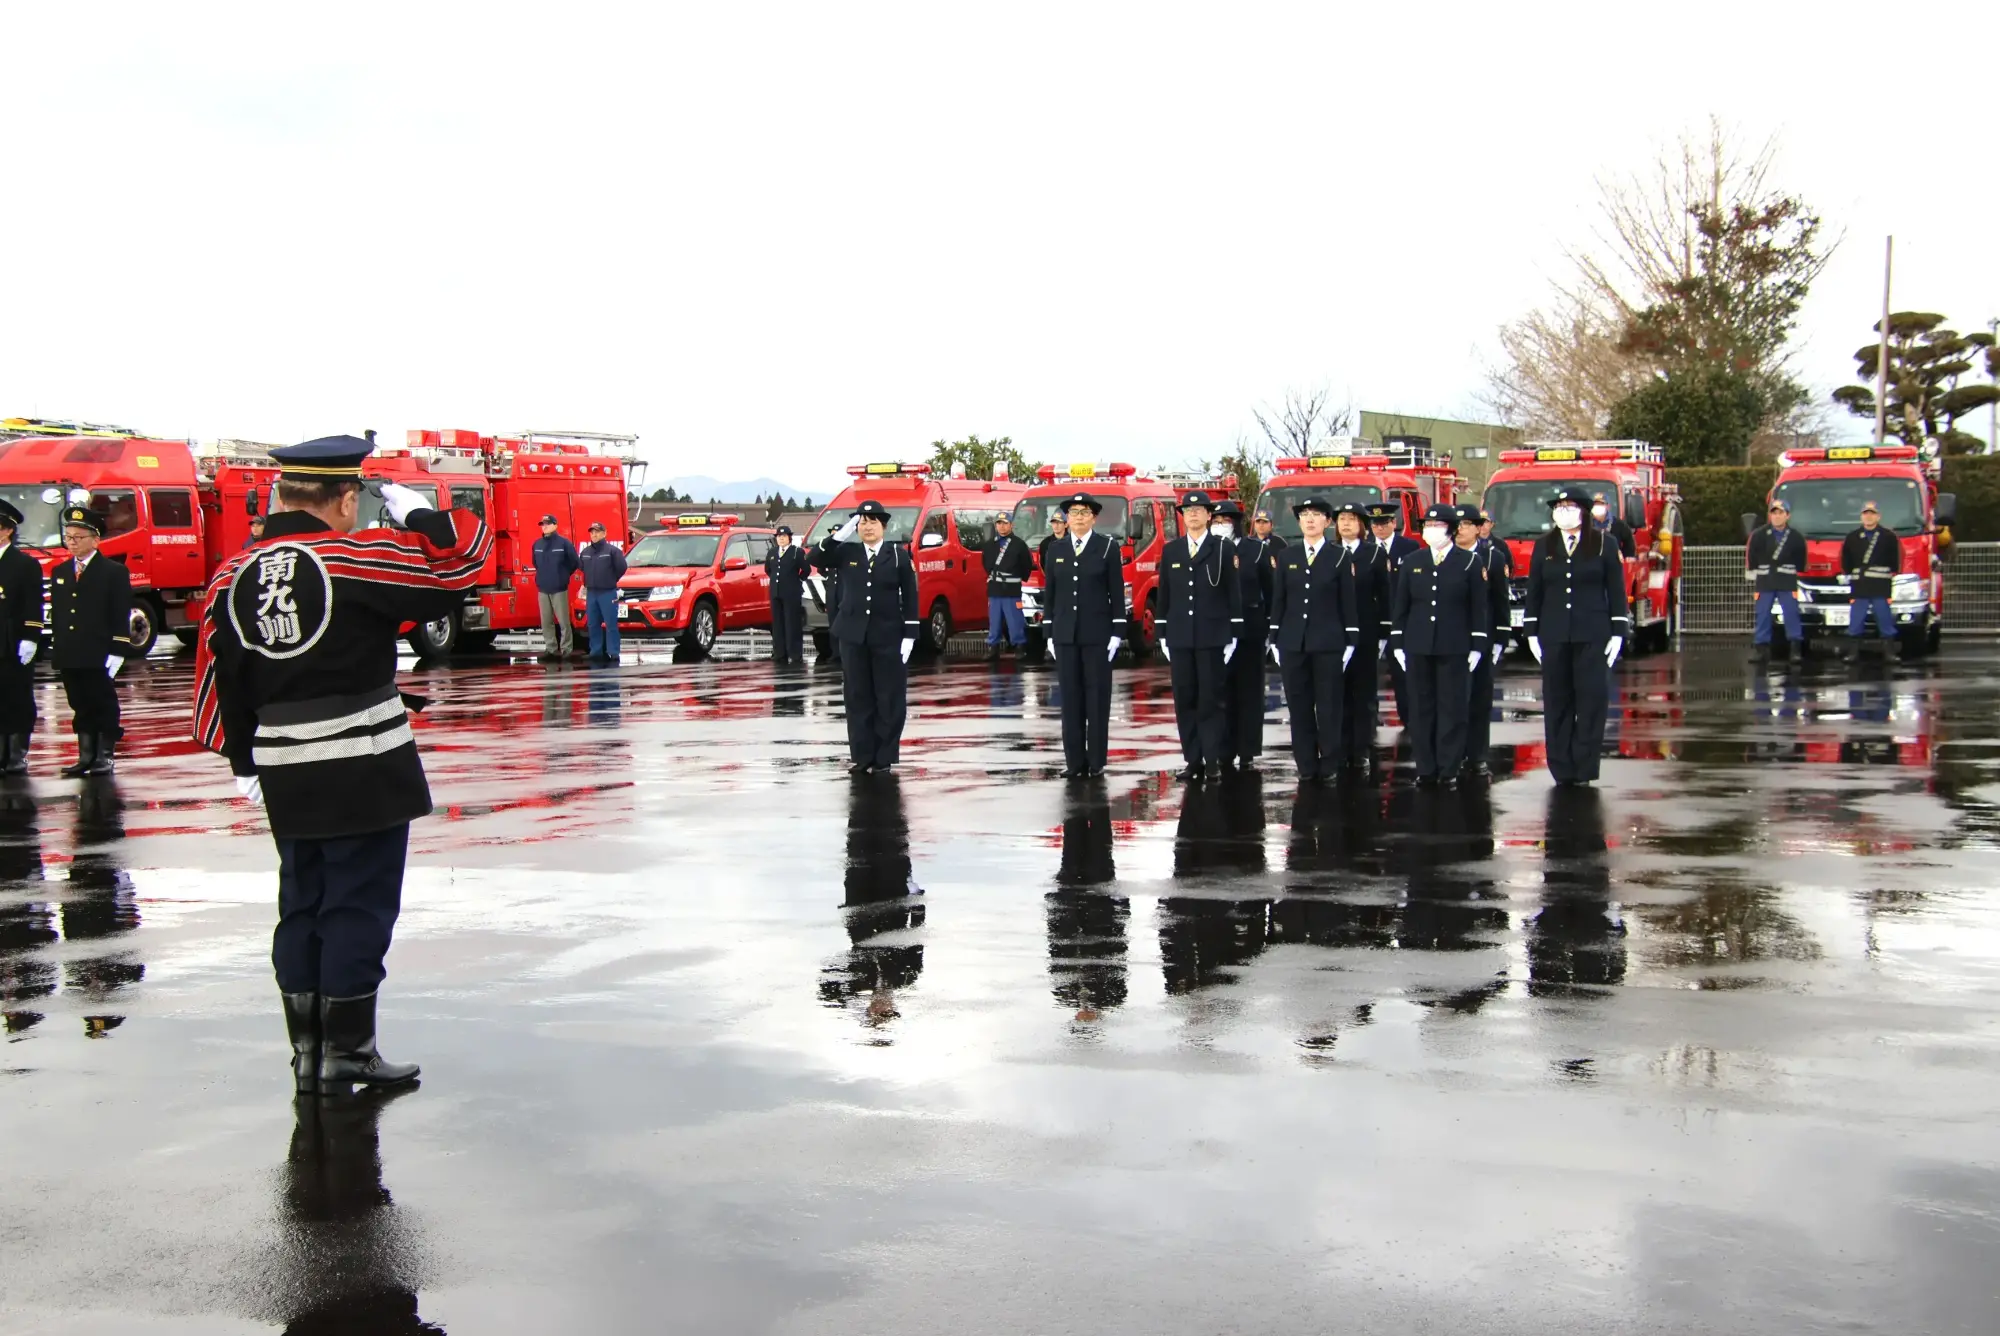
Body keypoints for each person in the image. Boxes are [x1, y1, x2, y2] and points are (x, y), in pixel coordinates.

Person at [192, 433, 492, 1096]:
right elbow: (464, 559)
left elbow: (217, 678)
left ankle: (307, 1052)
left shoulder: (231, 573)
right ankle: (349, 1055)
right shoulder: (359, 556)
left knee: (302, 902)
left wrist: (245, 759)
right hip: (366, 764)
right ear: (346, 496)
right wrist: (418, 515)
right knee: (357, 905)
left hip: (284, 768)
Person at [1523, 486, 1630, 788]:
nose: (1562, 511)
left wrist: (1619, 631)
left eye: (1569, 506)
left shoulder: (1603, 544)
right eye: (1558, 506)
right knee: (1558, 701)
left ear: (1583, 511)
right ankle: (1562, 767)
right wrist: (1531, 631)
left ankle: (1584, 767)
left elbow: (1616, 590)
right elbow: (1536, 591)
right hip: (1554, 633)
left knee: (1591, 701)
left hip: (1593, 633)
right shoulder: (1544, 545)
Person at [1390, 503, 1489, 789]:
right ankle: (1426, 767)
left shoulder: (1469, 562)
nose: (1432, 531)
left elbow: (1477, 608)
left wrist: (1477, 645)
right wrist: (1398, 641)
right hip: (1418, 644)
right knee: (1421, 709)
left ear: (1452, 529)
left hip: (1455, 645)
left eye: (1438, 526)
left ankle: (1448, 768)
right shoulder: (1412, 561)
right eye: (1428, 526)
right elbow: (1402, 606)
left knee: (1452, 708)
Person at [817, 499, 920, 774]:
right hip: (852, 636)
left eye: (872, 521)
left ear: (883, 526)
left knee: (888, 697)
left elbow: (910, 596)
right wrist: (839, 535)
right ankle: (862, 756)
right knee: (857, 696)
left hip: (888, 635)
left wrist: (910, 633)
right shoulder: (846, 551)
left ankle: (884, 756)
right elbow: (815, 558)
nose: (867, 527)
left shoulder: (897, 555)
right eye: (862, 522)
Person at [1267, 496, 1360, 784]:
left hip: (1328, 642)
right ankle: (1306, 763)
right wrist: (1274, 637)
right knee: (1299, 705)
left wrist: (1350, 639)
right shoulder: (1288, 557)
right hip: (1293, 642)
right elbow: (1279, 599)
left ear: (1327, 522)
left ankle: (1330, 761)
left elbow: (1347, 601)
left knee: (1329, 704)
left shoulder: (1339, 557)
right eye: (1304, 514)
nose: (1309, 519)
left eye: (1316, 515)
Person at [1157, 490, 1243, 782]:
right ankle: (1192, 759)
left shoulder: (1222, 549)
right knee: (1185, 699)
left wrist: (1234, 632)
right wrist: (1162, 632)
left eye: (1199, 510)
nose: (1193, 514)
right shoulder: (1172, 551)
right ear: (1182, 517)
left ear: (1209, 515)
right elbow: (1165, 595)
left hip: (1211, 635)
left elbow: (1234, 594)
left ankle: (1212, 758)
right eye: (1187, 511)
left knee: (1210, 699)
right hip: (1181, 636)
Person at [48, 505, 138, 777]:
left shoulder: (112, 572)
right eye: (69, 537)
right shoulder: (61, 571)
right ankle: (86, 755)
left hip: (98, 650)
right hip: (71, 651)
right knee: (79, 703)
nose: (72, 542)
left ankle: (104, 756)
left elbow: (119, 611)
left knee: (102, 703)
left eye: (78, 537)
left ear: (95, 540)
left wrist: (118, 648)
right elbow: (61, 612)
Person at [1042, 491, 1124, 778]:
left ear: (1093, 517)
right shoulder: (1056, 550)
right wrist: (1049, 630)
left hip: (1097, 635)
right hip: (1065, 634)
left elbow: (1116, 592)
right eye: (1073, 512)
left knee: (1097, 698)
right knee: (1071, 700)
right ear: (1066, 518)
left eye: (1083, 512)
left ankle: (1096, 761)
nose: (1078, 517)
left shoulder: (1106, 548)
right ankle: (1074, 762)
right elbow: (1050, 594)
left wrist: (1117, 632)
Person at [1219, 499, 1277, 769]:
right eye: (1216, 521)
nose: (1221, 526)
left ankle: (1248, 749)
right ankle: (1223, 747)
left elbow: (1271, 590)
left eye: (1226, 521)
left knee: (1250, 691)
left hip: (1251, 631)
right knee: (1221, 691)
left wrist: (1270, 630)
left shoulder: (1254, 550)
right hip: (1218, 630)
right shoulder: (1210, 549)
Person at [1334, 502, 1383, 772]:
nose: (1346, 524)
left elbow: (1384, 595)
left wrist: (1386, 632)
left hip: (1365, 632)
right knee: (1336, 693)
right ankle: (1339, 746)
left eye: (1352, 519)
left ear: (1362, 525)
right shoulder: (1329, 553)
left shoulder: (1373, 554)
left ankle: (1361, 747)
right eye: (1342, 519)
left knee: (1363, 693)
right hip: (1334, 632)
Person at [1463, 505, 1511, 779]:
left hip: (1485, 638)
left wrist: (1500, 639)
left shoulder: (1492, 558)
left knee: (1480, 699)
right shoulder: (1446, 558)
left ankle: (1478, 754)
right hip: (1455, 639)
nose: (1463, 530)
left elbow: (1500, 602)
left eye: (1470, 524)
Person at [0, 501, 45, 776]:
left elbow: (33, 603)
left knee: (15, 697)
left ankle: (16, 753)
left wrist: (31, 635)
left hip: (11, 639)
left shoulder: (24, 564)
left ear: (6, 530)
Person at [1367, 503, 1420, 726]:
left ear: (1393, 523)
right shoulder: (1365, 548)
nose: (1379, 528)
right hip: (1372, 621)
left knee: (1404, 675)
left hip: (1403, 622)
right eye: (1375, 524)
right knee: (1368, 677)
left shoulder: (1409, 548)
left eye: (1384, 523)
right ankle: (1370, 723)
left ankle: (1410, 721)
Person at [1745, 498, 1807, 664]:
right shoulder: (1759, 535)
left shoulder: (1796, 537)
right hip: (1765, 580)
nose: (1777, 516)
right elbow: (1753, 557)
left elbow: (1800, 560)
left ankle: (1795, 650)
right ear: (1770, 515)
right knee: (1763, 614)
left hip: (1787, 581)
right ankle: (1760, 649)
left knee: (1791, 613)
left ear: (1788, 515)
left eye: (1781, 513)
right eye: (1774, 513)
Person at [1840, 501, 1900, 659]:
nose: (1868, 517)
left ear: (1878, 516)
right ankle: (1853, 653)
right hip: (1860, 586)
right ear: (1861, 516)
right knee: (1856, 619)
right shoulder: (1852, 537)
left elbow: (1894, 563)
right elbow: (1847, 562)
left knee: (1884, 618)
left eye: (1872, 513)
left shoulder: (1888, 537)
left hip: (1880, 587)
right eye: (1866, 513)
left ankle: (1889, 652)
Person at [528, 513, 580, 661]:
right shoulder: (537, 544)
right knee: (546, 622)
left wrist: (563, 575)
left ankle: (566, 650)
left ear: (555, 525)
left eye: (547, 524)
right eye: (542, 524)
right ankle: (550, 649)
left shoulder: (564, 543)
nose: (544, 526)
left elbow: (574, 562)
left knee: (563, 621)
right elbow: (535, 563)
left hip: (559, 588)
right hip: (543, 588)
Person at [980, 513, 1032, 660]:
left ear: (1011, 525)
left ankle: (1019, 646)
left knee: (1015, 619)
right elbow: (985, 563)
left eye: (1005, 523)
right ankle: (993, 647)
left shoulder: (1019, 544)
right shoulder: (990, 545)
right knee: (994, 620)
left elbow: (1026, 565)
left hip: (1012, 590)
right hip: (995, 589)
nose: (1002, 526)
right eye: (999, 523)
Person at [576, 521, 627, 664]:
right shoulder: (585, 552)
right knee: (592, 624)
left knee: (611, 623)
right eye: (592, 532)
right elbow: (582, 568)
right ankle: (596, 651)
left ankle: (614, 652)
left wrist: (610, 579)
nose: (594, 534)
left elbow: (622, 567)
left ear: (604, 533)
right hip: (591, 593)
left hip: (608, 592)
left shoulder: (612, 551)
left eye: (597, 532)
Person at [766, 524, 810, 664]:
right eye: (779, 536)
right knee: (778, 624)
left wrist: (797, 580)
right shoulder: (772, 552)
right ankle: (780, 653)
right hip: (776, 592)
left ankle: (795, 653)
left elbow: (806, 570)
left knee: (792, 623)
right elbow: (768, 570)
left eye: (784, 536)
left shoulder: (797, 552)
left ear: (789, 538)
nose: (781, 539)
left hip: (791, 593)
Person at [1592, 491, 1636, 559]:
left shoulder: (1619, 524)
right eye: (1595, 504)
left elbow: (1629, 543)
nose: (1598, 506)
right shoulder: (1586, 523)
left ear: (1608, 506)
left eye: (1601, 504)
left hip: (1612, 561)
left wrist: (1625, 557)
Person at [1037, 508, 1069, 573]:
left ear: (1066, 525)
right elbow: (1043, 564)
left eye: (1059, 522)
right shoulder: (1045, 543)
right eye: (1053, 522)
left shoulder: (1073, 541)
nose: (1056, 525)